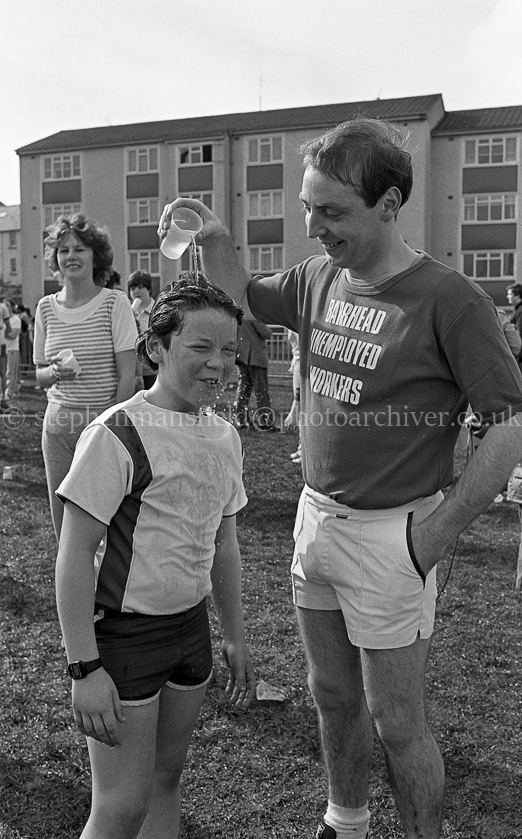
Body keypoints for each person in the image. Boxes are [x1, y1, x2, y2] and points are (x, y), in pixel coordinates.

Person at [159, 117, 522, 839]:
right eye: (307, 206)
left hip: (398, 537)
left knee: (397, 721)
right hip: (314, 520)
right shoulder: (319, 276)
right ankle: (344, 819)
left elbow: (508, 425)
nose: (314, 226)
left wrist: (435, 535)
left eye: (332, 211)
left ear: (389, 204)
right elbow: (245, 293)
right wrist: (216, 236)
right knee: (330, 693)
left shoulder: (449, 299)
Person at [55, 275, 255, 839]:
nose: (218, 364)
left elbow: (224, 544)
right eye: (200, 347)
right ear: (156, 348)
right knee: (121, 806)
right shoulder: (116, 434)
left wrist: (234, 635)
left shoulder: (223, 435)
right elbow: (73, 556)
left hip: (188, 634)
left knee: (167, 780)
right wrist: (84, 667)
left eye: (229, 351)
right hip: (124, 639)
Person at [34, 213, 138, 538]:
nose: (71, 257)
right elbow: (39, 374)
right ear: (56, 259)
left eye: (79, 249)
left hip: (102, 428)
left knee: (106, 525)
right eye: (63, 250)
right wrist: (53, 371)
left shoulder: (114, 303)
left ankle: (107, 590)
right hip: (58, 429)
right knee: (64, 528)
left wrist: (111, 427)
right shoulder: (45, 308)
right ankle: (72, 589)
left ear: (96, 256)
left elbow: (128, 376)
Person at [234, 317, 276, 430]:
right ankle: (265, 421)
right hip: (255, 357)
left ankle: (241, 419)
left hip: (242, 356)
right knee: (261, 391)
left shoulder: (238, 315)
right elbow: (266, 333)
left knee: (243, 390)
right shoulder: (252, 316)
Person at [128, 270, 156, 388]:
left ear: (149, 289)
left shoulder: (157, 311)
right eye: (133, 288)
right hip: (133, 371)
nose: (136, 291)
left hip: (153, 370)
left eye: (140, 287)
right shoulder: (127, 311)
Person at [284, 328, 302, 462]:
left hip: (303, 364)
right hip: (298, 362)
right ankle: (302, 448)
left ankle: (304, 451)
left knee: (303, 408)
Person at [4, 299, 21, 402]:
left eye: (7, 305)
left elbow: (13, 335)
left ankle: (9, 393)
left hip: (12, 349)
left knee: (11, 372)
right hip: (3, 348)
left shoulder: (16, 319)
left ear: (11, 307)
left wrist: (3, 333)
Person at [0, 297, 13, 409]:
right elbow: (9, 328)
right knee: (2, 372)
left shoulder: (3, 307)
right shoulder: (3, 307)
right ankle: (3, 398)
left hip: (1, 343)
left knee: (3, 372)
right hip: (1, 343)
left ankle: (3, 399)